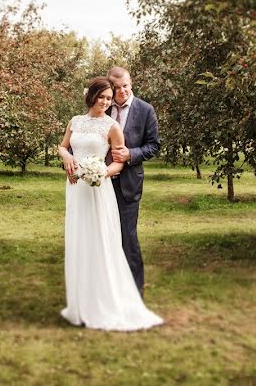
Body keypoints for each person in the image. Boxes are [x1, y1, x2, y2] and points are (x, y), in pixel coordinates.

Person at [57, 77, 163, 331]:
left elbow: (120, 160)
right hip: (75, 190)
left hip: (97, 188)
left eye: (109, 97)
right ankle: (80, 303)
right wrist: (67, 156)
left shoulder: (112, 125)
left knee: (100, 242)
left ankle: (103, 301)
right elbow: (61, 147)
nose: (105, 102)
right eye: (101, 97)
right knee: (79, 240)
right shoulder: (75, 121)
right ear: (91, 96)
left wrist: (101, 173)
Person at [106, 66, 160, 296]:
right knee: (106, 234)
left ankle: (135, 288)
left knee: (128, 236)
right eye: (116, 88)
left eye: (125, 86)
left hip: (128, 183)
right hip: (102, 183)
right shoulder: (102, 107)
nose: (121, 91)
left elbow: (154, 145)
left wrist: (131, 154)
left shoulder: (145, 110)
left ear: (131, 83)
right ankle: (109, 284)